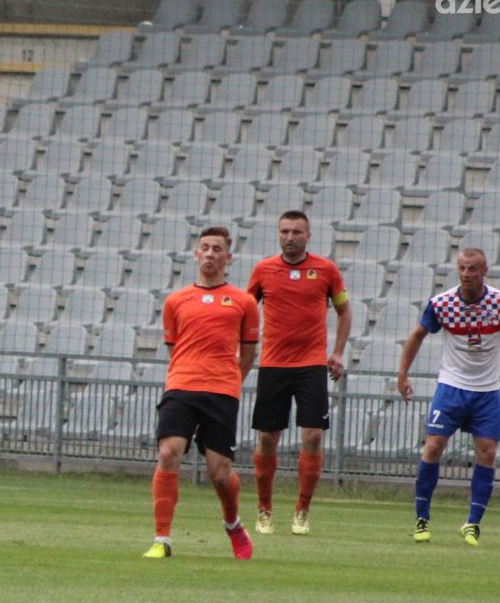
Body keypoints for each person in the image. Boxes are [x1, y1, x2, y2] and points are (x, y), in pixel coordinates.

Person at [397, 248, 500, 547]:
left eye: (472, 269)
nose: (466, 274)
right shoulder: (442, 304)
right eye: (462, 268)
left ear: (485, 271)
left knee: (487, 453)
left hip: (486, 391)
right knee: (433, 446)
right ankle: (422, 519)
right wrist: (403, 374)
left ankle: (472, 523)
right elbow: (417, 335)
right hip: (451, 387)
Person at [144, 227, 259, 561]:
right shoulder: (176, 301)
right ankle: (161, 539)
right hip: (181, 386)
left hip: (221, 391)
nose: (210, 253)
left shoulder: (244, 302)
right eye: (205, 247)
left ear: (228, 258)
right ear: (196, 254)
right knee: (169, 453)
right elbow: (174, 346)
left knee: (219, 474)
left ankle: (233, 524)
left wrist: (227, 382)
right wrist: (188, 372)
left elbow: (248, 355)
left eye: (217, 249)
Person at [247, 210, 352, 536]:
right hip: (273, 365)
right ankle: (264, 508)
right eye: (284, 231)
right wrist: (242, 350)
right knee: (267, 439)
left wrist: (337, 352)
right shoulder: (263, 270)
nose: (290, 237)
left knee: (314, 436)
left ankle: (302, 510)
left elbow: (344, 310)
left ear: (308, 236)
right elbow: (245, 310)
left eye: (296, 232)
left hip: (311, 366)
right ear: (278, 234)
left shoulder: (326, 270)